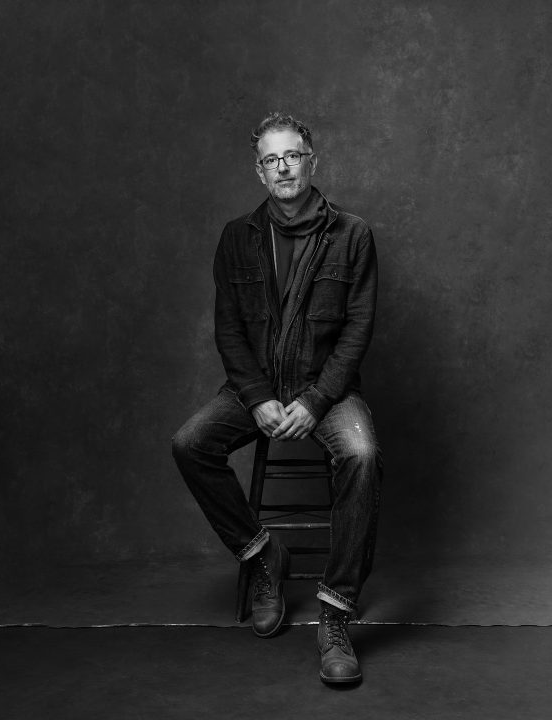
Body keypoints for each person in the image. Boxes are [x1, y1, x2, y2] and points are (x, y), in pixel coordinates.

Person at [172, 112, 383, 684]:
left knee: (362, 456)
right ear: (260, 173)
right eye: (271, 160)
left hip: (328, 390)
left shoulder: (352, 234)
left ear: (312, 161)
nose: (283, 167)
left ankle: (335, 614)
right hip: (257, 389)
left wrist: (316, 400)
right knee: (190, 444)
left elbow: (357, 331)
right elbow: (229, 332)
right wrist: (258, 396)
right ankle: (262, 554)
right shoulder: (236, 238)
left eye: (293, 156)